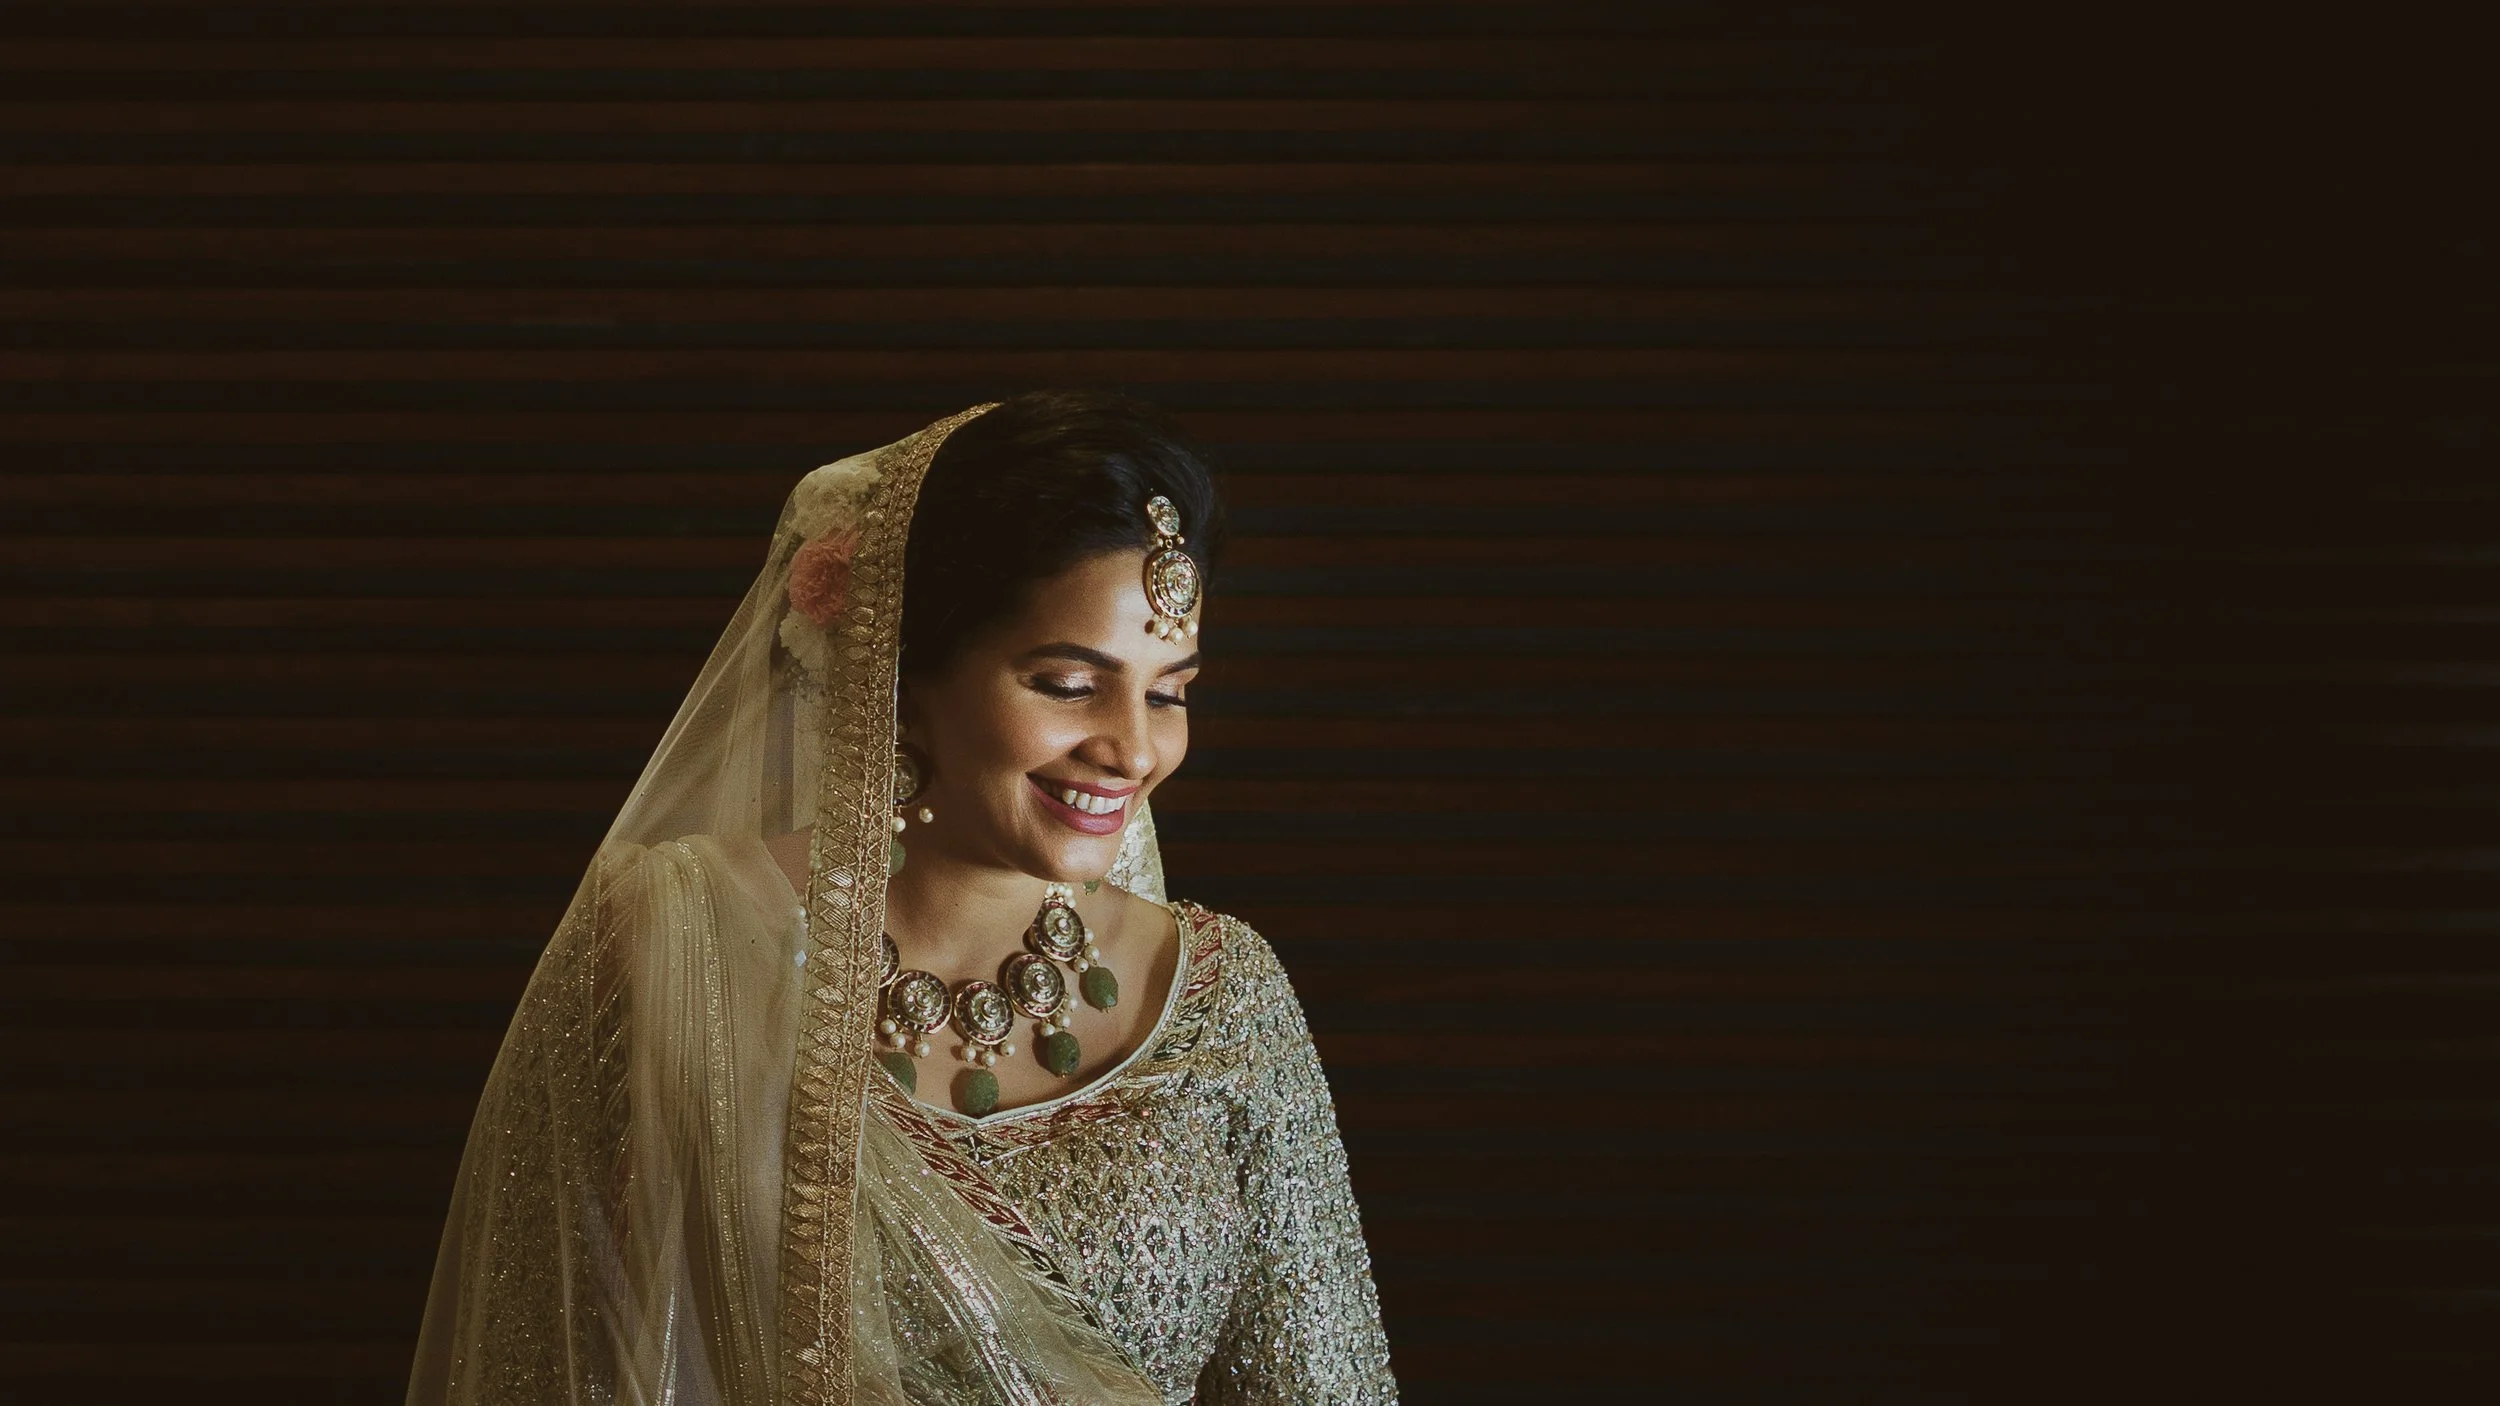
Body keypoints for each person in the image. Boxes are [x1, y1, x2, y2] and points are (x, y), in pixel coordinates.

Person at [406, 391, 1397, 1405]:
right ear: (905, 669)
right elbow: (544, 1359)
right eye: (1067, 684)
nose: (1133, 749)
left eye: (1167, 691)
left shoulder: (1221, 998)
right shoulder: (678, 939)